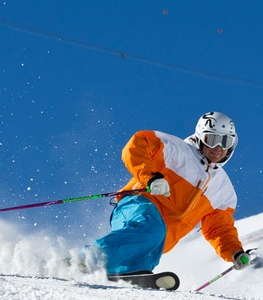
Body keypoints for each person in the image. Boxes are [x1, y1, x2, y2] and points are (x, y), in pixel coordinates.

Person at [89, 111, 250, 278]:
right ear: (201, 138)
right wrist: (151, 177)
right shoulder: (177, 150)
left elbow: (220, 228)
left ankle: (120, 277)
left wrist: (234, 252)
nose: (219, 148)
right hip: (138, 206)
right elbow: (138, 143)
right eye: (212, 140)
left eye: (225, 142)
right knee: (150, 231)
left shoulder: (223, 190)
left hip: (161, 238)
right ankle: (87, 259)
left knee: (145, 255)